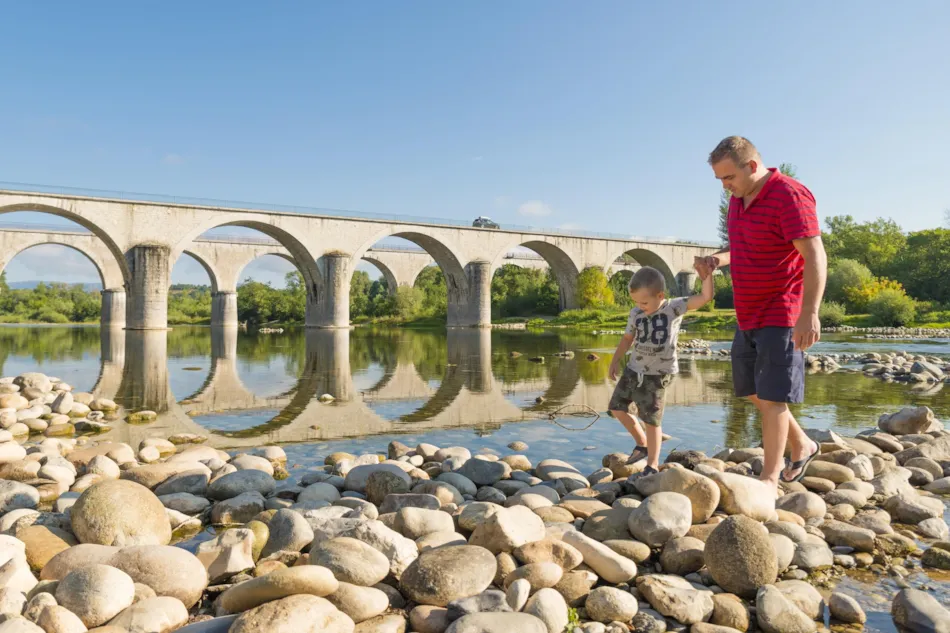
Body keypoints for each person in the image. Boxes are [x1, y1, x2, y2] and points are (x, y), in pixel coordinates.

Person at [696, 136, 828, 495]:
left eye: (729, 177)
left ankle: (770, 480)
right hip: (748, 313)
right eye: (720, 179)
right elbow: (740, 247)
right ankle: (803, 444)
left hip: (781, 311)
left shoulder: (789, 195)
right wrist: (716, 260)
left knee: (773, 398)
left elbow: (815, 255)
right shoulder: (738, 200)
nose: (725, 186)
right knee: (751, 390)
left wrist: (809, 313)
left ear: (752, 166)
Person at [608, 265, 714, 476]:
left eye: (644, 302)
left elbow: (705, 297)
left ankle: (652, 465)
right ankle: (642, 443)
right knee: (617, 408)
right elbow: (628, 338)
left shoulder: (674, 307)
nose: (640, 306)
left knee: (651, 419)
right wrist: (615, 360)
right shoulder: (636, 313)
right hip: (633, 369)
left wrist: (707, 276)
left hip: (659, 373)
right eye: (636, 302)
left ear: (660, 295)